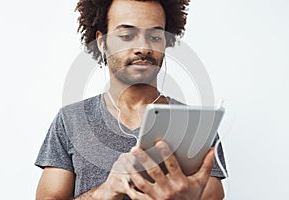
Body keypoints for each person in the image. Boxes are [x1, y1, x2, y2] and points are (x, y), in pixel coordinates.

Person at [35, 0, 228, 199]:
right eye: (127, 36)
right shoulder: (71, 120)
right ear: (102, 42)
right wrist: (104, 192)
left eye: (155, 36)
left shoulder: (196, 125)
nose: (143, 48)